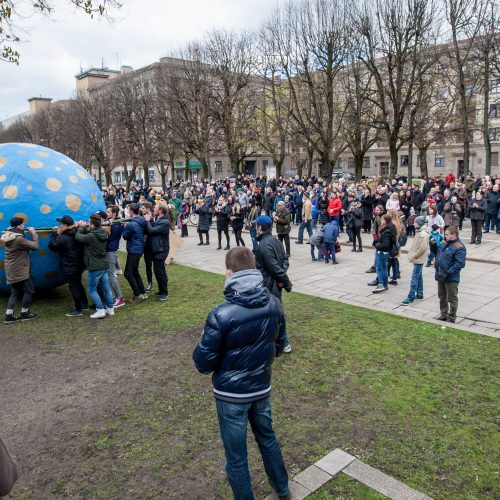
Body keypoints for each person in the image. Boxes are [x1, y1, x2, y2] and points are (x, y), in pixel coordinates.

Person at [192, 247, 289, 500]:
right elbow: (279, 345)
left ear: (228, 272)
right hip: (260, 387)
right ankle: (283, 490)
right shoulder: (274, 303)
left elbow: (203, 363)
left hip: (232, 394)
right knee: (267, 440)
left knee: (237, 458)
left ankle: (280, 489)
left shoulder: (220, 314)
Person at [254, 215, 292, 353]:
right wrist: (281, 279)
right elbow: (284, 262)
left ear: (259, 227)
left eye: (256, 225)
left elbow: (277, 267)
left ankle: (284, 343)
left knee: (274, 316)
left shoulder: (263, 246)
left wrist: (286, 283)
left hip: (269, 286)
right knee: (273, 314)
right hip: (275, 284)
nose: (255, 228)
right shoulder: (275, 240)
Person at [75, 215, 115, 319]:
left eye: (89, 223)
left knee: (92, 289)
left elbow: (78, 237)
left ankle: (100, 310)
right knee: (106, 287)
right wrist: (87, 228)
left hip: (95, 266)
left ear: (92, 225)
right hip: (103, 264)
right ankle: (110, 309)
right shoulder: (102, 232)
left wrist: (81, 227)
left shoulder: (92, 236)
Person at [48, 215, 88, 316]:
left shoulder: (63, 237)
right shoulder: (79, 232)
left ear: (65, 225)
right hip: (79, 263)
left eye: (61, 223)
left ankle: (78, 309)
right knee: (78, 284)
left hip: (70, 265)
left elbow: (52, 246)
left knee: (73, 287)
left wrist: (54, 234)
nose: (60, 225)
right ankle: (85, 304)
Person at [2, 217, 39, 324]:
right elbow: (35, 246)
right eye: (22, 224)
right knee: (29, 290)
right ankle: (24, 313)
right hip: (19, 269)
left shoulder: (8, 234)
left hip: (11, 268)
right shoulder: (19, 239)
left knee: (15, 292)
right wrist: (34, 234)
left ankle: (9, 315)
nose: (23, 226)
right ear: (19, 226)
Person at [434, 226, 467, 323]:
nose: (445, 236)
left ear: (454, 235)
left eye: (447, 234)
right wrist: (432, 245)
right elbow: (437, 253)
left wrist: (448, 272)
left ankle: (452, 317)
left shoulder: (459, 247)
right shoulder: (444, 243)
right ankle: (443, 314)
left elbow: (460, 263)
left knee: (452, 298)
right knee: (442, 296)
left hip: (451, 277)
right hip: (440, 275)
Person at [122, 203, 148, 302]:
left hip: (134, 250)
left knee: (128, 273)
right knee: (135, 271)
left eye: (128, 209)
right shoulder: (141, 219)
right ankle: (143, 292)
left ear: (131, 211)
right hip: (139, 248)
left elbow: (125, 236)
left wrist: (125, 227)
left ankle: (138, 295)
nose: (127, 211)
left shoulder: (131, 224)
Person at [144, 203, 170, 301]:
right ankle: (161, 290)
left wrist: (147, 220)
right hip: (157, 249)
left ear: (160, 211)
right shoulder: (158, 220)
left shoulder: (165, 222)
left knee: (159, 271)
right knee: (159, 270)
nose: (153, 209)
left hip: (161, 250)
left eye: (155, 208)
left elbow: (151, 231)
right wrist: (149, 220)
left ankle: (164, 292)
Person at [401, 216, 429, 305]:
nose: (413, 224)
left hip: (418, 258)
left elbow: (422, 248)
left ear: (419, 224)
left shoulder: (422, 234)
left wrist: (414, 255)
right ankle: (420, 294)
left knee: (414, 278)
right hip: (418, 258)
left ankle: (410, 297)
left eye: (415, 222)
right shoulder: (419, 232)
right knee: (419, 276)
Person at [370, 213, 396, 294]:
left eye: (382, 220)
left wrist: (377, 245)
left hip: (383, 252)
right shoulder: (389, 228)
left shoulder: (387, 231)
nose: (380, 221)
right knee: (383, 268)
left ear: (386, 221)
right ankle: (384, 285)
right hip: (385, 252)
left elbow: (385, 244)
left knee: (379, 268)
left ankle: (382, 284)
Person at [105, 206, 125, 308]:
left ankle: (119, 298)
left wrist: (110, 229)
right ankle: (117, 297)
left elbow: (111, 240)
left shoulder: (116, 226)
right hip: (110, 251)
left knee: (111, 276)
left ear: (114, 214)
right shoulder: (113, 224)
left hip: (111, 252)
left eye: (108, 212)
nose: (106, 213)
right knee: (110, 275)